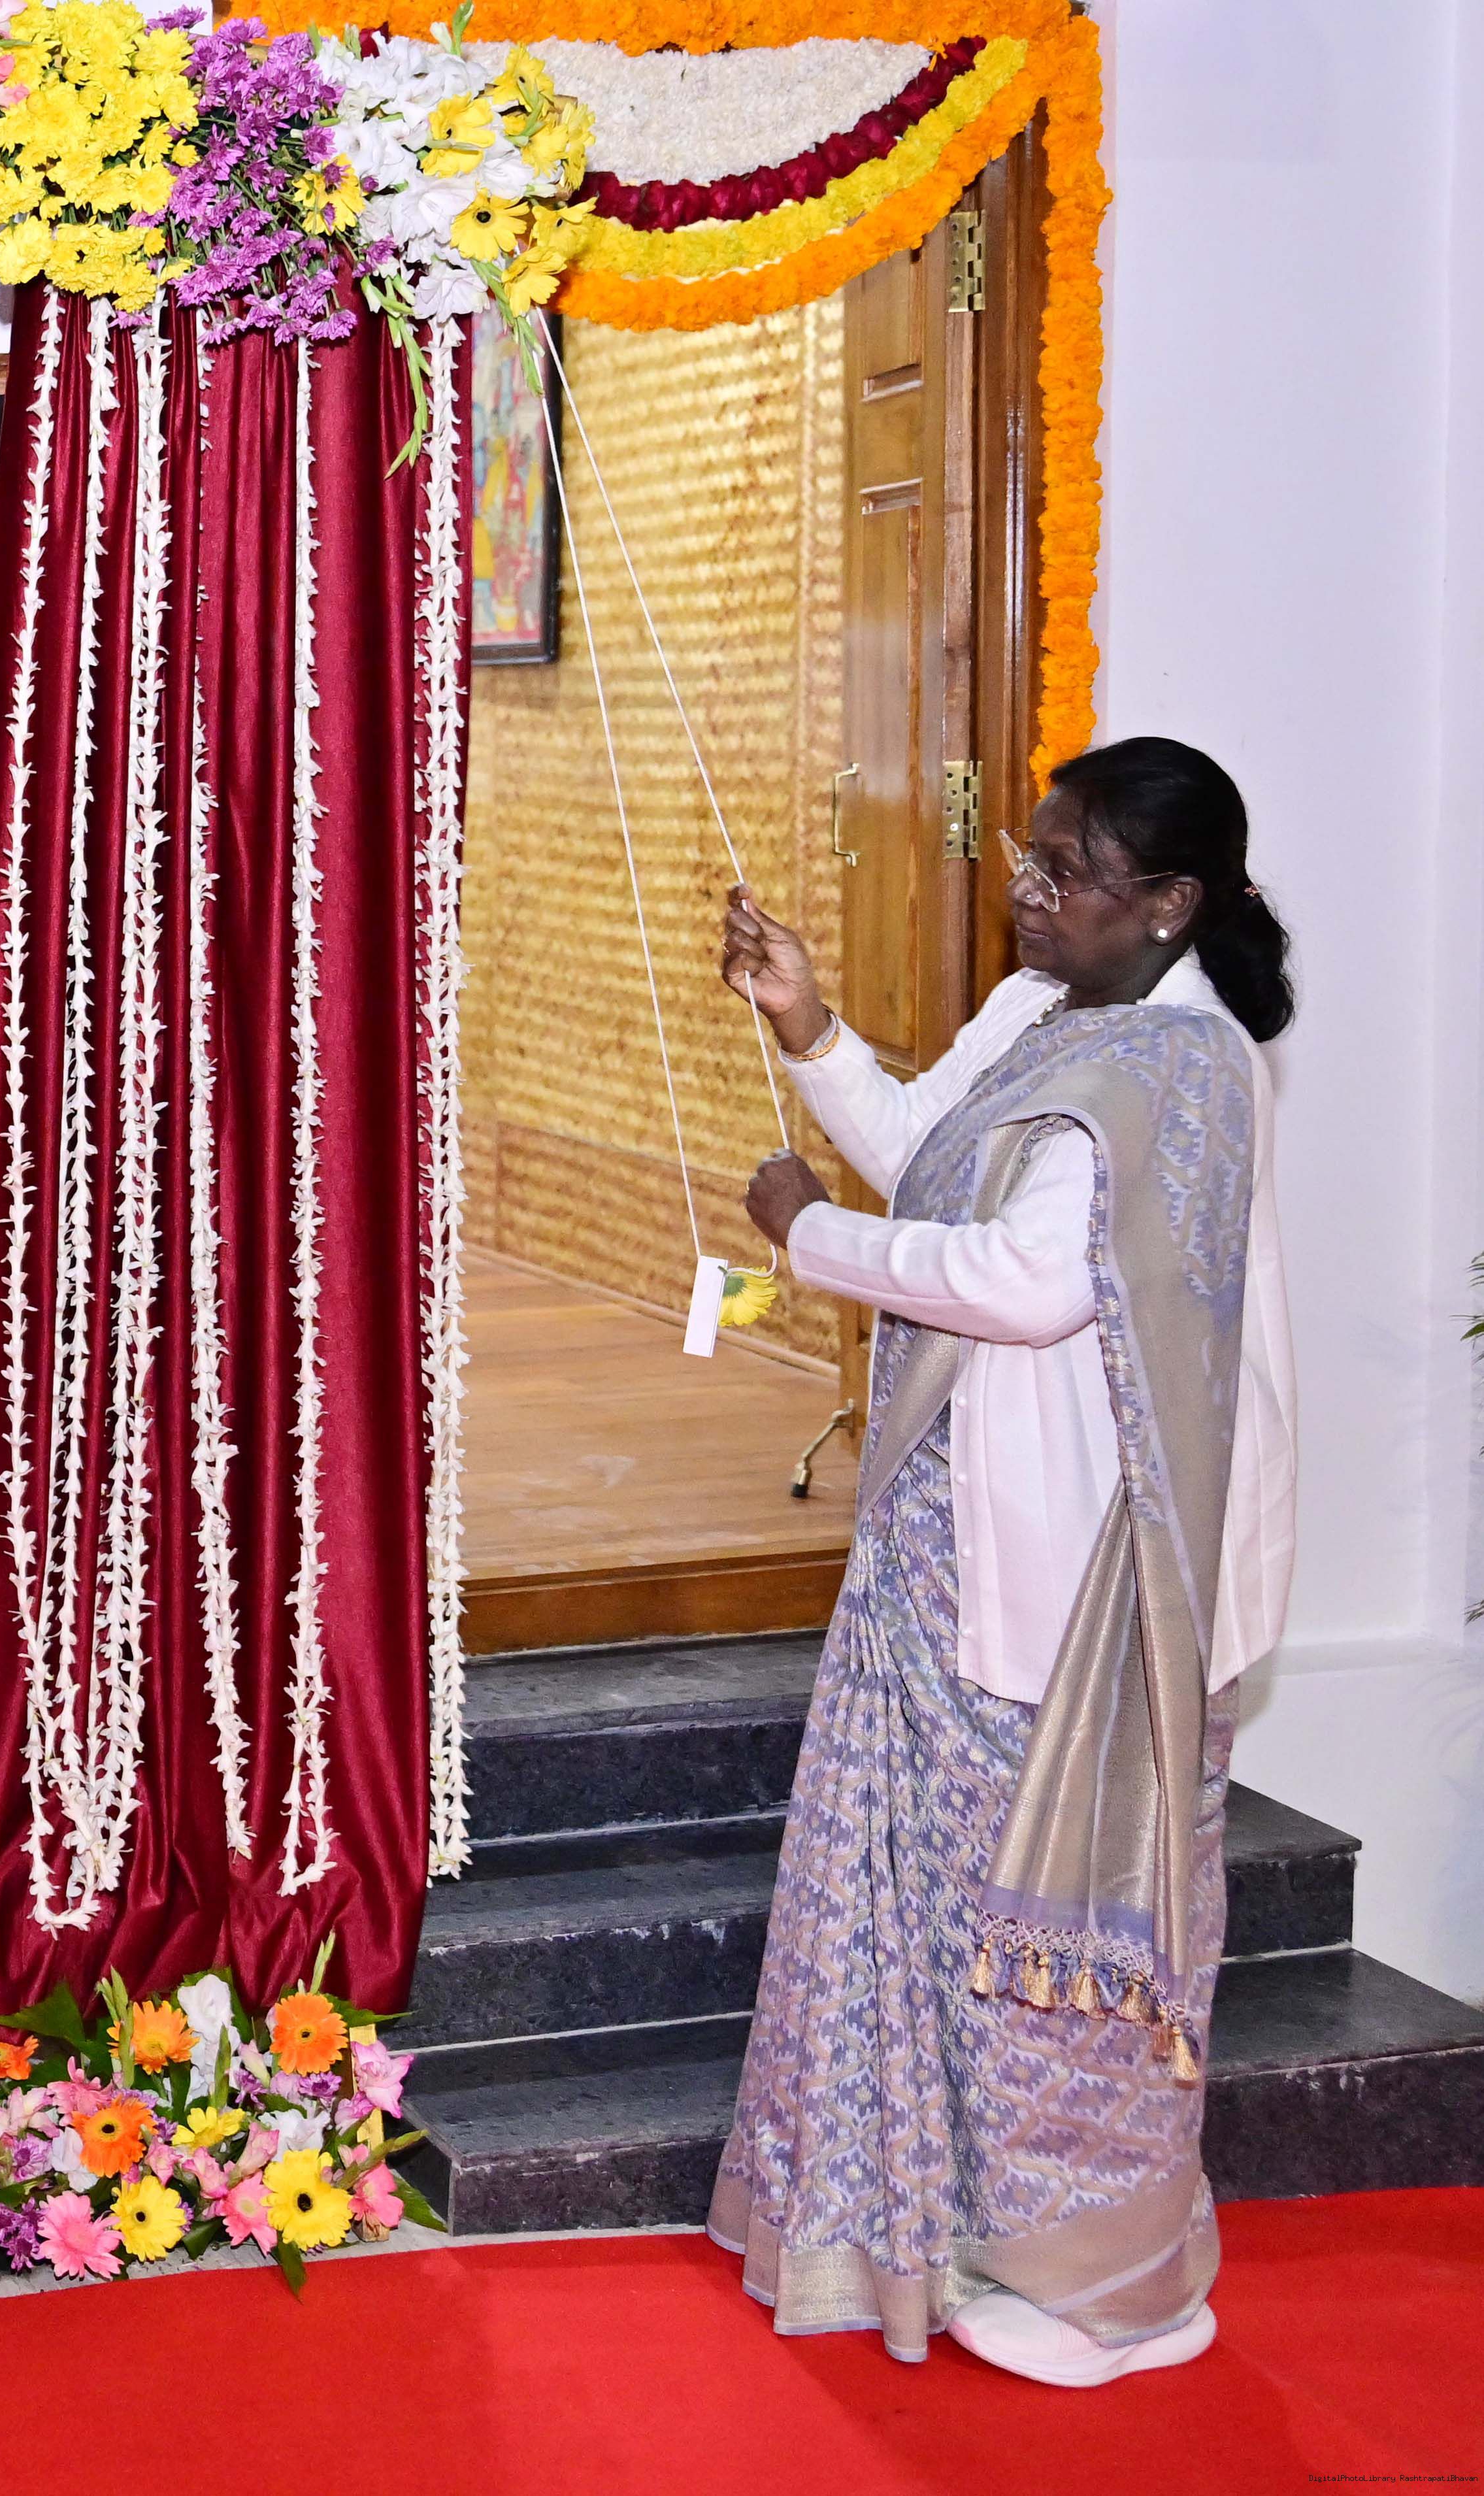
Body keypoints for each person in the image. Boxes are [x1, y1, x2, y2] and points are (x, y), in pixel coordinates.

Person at [708, 735, 1298, 2386]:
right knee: (964, 1925)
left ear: (1167, 902)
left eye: (1064, 870)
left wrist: (803, 1234)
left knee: (1071, 1934)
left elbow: (1032, 1281)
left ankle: (1115, 2285)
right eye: (1029, 857)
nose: (1026, 890)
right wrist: (808, 1026)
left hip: (1095, 1572)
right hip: (964, 1539)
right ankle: (967, 2232)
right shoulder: (1051, 1008)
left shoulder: (1185, 1063)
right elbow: (928, 1147)